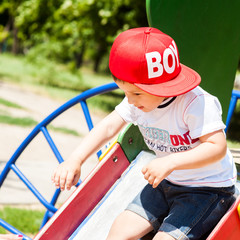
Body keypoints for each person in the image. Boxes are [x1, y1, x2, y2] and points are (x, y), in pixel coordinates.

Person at [52, 27, 237, 240]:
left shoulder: (195, 103)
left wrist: (170, 162)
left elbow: (216, 147)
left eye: (136, 93)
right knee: (118, 233)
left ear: (164, 86)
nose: (130, 100)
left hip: (207, 190)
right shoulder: (137, 101)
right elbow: (108, 127)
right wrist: (75, 159)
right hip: (165, 183)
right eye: (126, 92)